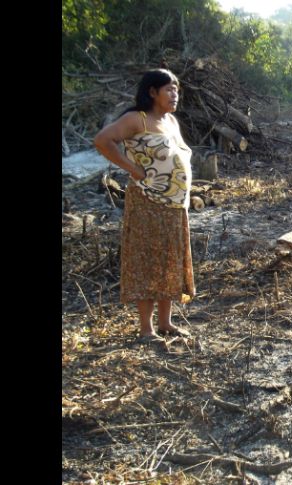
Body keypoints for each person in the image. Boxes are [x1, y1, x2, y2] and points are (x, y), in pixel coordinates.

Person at [94, 68, 195, 342]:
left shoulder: (171, 121)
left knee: (168, 262)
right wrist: (131, 168)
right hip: (148, 201)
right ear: (152, 92)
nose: (174, 94)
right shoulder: (135, 119)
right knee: (148, 261)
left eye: (176, 88)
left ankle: (166, 323)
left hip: (175, 205)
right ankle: (146, 330)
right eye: (168, 89)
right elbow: (102, 141)